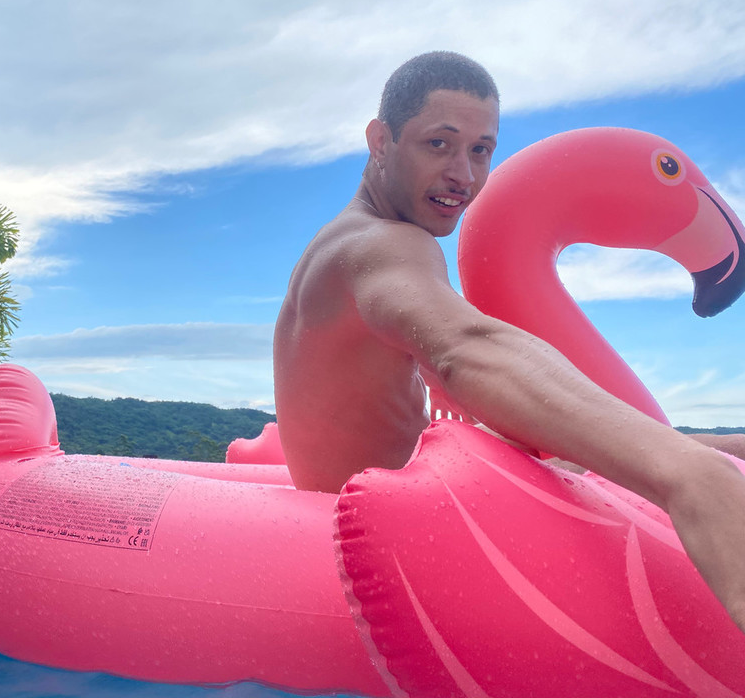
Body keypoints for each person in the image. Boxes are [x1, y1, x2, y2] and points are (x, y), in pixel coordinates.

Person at [272, 51, 745, 633]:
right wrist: (688, 476)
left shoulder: (342, 243)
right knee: (689, 463)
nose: (463, 175)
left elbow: (428, 358)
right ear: (380, 141)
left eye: (480, 150)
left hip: (395, 500)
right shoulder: (385, 245)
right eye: (439, 144)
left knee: (717, 447)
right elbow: (467, 346)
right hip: (393, 542)